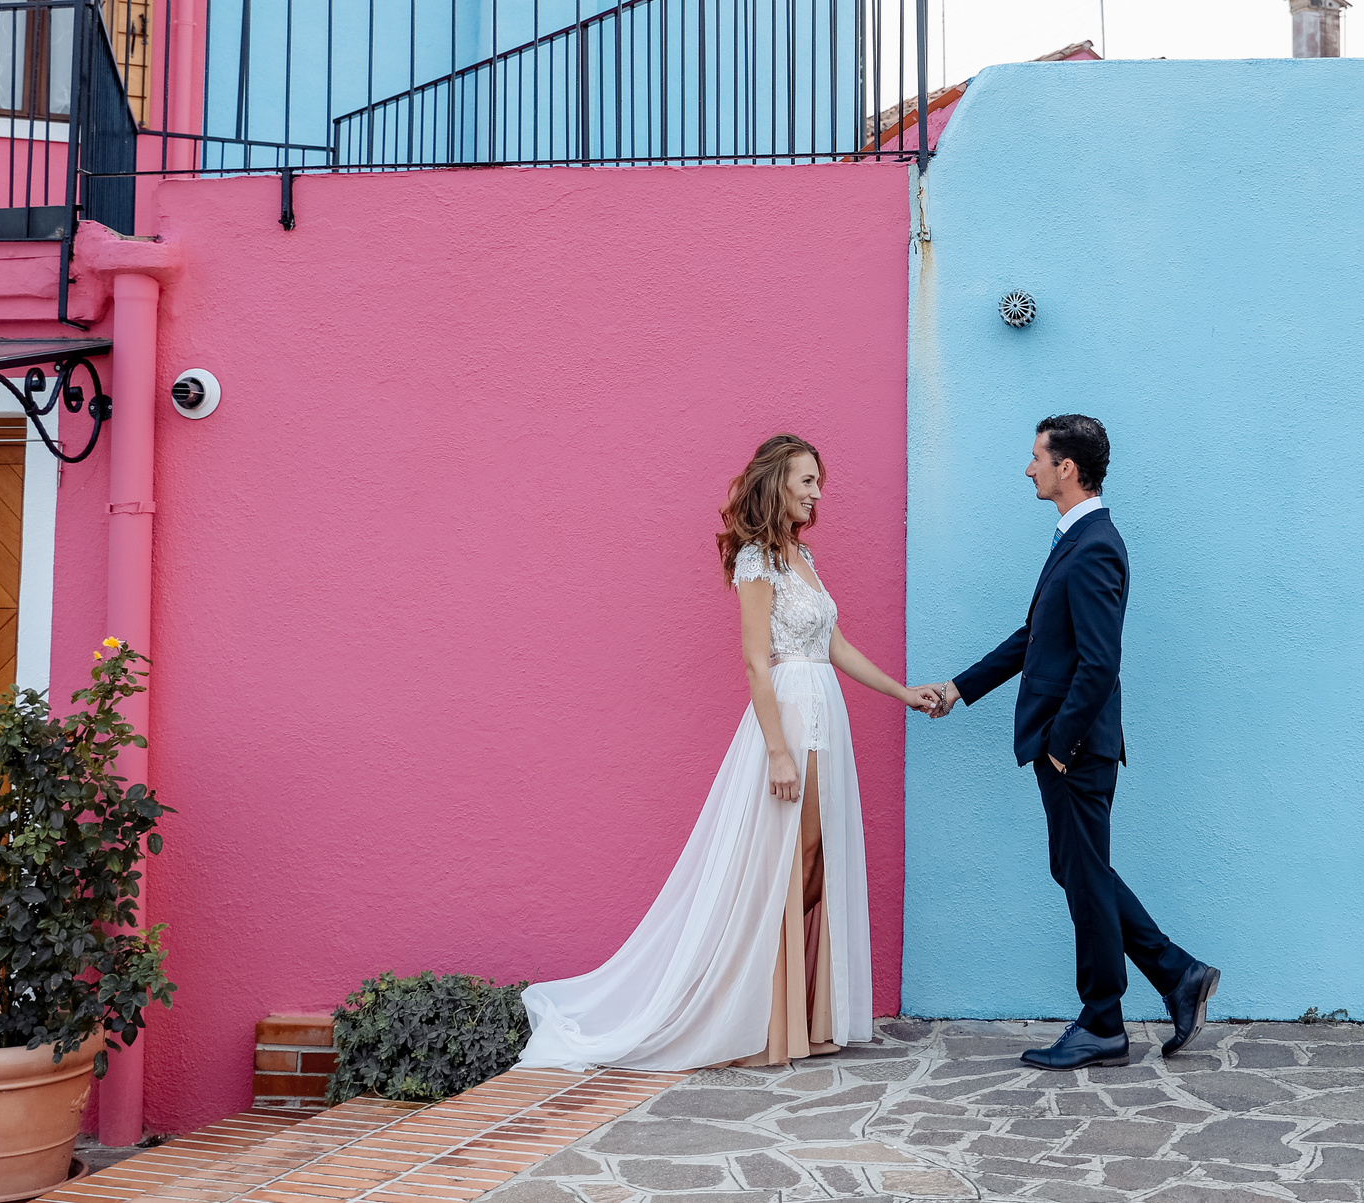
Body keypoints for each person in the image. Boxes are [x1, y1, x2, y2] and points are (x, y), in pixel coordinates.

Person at [521, 434, 945, 1070]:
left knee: (814, 867)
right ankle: (760, 1020)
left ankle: (798, 1016)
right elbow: (754, 659)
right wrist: (778, 752)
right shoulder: (756, 562)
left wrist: (901, 693)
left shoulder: (802, 557)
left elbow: (834, 643)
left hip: (827, 715)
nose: (818, 494)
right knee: (780, 865)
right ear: (777, 484)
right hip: (788, 720)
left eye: (818, 482)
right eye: (807, 482)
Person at [924, 414, 1219, 1070]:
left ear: (1067, 467)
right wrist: (959, 686)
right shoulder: (1075, 539)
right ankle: (1177, 975)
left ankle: (1106, 1019)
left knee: (1082, 872)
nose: (1028, 468)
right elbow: (1035, 639)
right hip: (1069, 744)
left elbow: (1098, 661)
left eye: (1036, 457)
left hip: (1075, 747)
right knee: (1079, 871)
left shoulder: (1094, 545)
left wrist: (1061, 744)